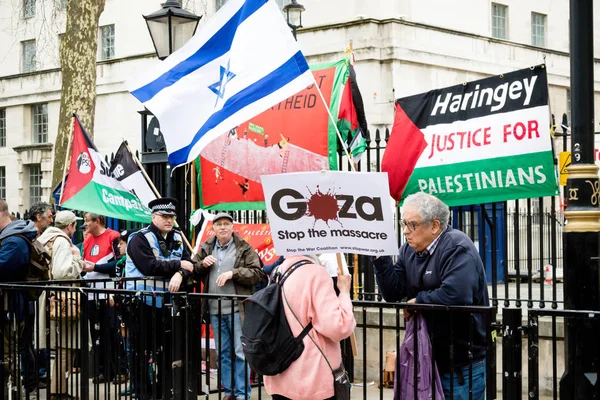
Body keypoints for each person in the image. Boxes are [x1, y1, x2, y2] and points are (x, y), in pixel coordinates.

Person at [372, 192, 489, 400]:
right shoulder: (409, 250)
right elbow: (393, 292)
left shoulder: (456, 246)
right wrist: (379, 256)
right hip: (426, 361)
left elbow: (456, 294)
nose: (406, 231)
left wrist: (418, 302)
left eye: (412, 225)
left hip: (459, 367)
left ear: (434, 226)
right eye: (403, 223)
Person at [124, 197, 194, 400]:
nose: (169, 220)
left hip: (168, 305)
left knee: (167, 353)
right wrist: (179, 266)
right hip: (142, 304)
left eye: (171, 216)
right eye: (164, 216)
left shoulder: (179, 236)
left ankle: (164, 391)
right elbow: (149, 266)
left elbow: (191, 265)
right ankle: (143, 393)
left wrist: (181, 273)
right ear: (153, 217)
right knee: (140, 351)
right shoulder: (139, 238)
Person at [263, 254, 356, 400]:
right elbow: (339, 327)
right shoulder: (317, 274)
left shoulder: (278, 271)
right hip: (312, 377)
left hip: (280, 374)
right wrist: (344, 292)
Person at [193, 212, 264, 400]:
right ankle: (229, 392)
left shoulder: (244, 247)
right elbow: (193, 269)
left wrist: (234, 273)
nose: (223, 227)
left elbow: (257, 273)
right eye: (219, 224)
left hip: (237, 310)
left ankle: (242, 395)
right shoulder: (206, 247)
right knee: (223, 353)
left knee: (240, 352)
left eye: (226, 224)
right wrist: (201, 264)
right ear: (213, 228)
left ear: (233, 227)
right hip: (215, 310)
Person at [37, 211, 85, 400]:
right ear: (70, 225)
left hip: (48, 298)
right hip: (64, 300)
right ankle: (58, 393)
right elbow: (61, 272)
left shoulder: (45, 238)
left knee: (60, 347)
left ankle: (58, 390)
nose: (75, 229)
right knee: (67, 346)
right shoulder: (63, 242)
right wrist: (77, 259)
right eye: (75, 225)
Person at [81, 213, 127, 384]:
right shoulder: (86, 241)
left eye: (87, 221)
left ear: (97, 221)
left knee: (113, 332)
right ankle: (104, 370)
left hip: (108, 292)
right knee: (97, 333)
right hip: (91, 293)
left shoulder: (113, 237)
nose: (85, 224)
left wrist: (96, 267)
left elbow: (121, 262)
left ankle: (122, 370)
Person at [0, 200, 38, 399]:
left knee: (9, 355)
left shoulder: (14, 240)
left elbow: (3, 267)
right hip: (11, 307)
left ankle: (13, 392)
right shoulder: (9, 237)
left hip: (13, 309)